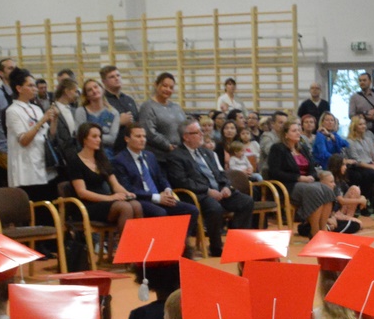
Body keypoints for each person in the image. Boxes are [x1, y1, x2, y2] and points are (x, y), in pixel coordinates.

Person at [164, 118, 254, 257]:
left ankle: (238, 241)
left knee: (246, 201)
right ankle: (216, 247)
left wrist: (226, 186)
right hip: (198, 194)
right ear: (186, 137)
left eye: (201, 131)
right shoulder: (176, 156)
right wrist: (207, 191)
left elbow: (222, 173)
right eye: (197, 132)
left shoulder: (208, 153)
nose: (202, 134)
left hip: (219, 191)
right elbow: (182, 182)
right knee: (215, 208)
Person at [265, 118, 336, 232]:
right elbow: (275, 172)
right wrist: (298, 178)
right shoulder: (278, 148)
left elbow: (312, 167)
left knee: (327, 189)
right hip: (288, 185)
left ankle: (323, 229)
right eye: (294, 131)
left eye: (299, 130)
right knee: (314, 190)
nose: (298, 133)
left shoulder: (302, 148)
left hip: (307, 183)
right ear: (286, 134)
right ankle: (314, 230)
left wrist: (312, 176)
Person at [2, 68, 56, 200]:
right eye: (30, 86)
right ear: (19, 88)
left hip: (42, 164)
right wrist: (42, 120)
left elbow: (49, 135)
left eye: (34, 86)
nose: (35, 89)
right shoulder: (12, 111)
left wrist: (55, 119)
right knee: (31, 206)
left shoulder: (36, 108)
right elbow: (24, 140)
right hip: (25, 169)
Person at [139, 72, 186, 158]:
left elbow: (185, 125)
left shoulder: (176, 107)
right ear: (156, 85)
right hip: (159, 156)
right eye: (164, 86)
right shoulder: (148, 107)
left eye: (171, 87)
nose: (168, 89)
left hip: (179, 153)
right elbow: (149, 132)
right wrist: (168, 146)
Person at [76, 76, 121, 148]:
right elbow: (80, 135)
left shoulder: (113, 113)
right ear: (86, 96)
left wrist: (91, 137)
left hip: (106, 152)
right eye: (89, 90)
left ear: (102, 89)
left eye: (96, 87)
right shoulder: (81, 111)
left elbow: (112, 139)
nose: (94, 91)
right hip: (86, 151)